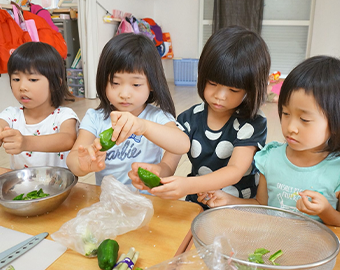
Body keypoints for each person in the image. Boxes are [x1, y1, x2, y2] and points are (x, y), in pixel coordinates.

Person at [129, 25, 271, 208]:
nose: (220, 96)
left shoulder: (253, 122)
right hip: (198, 202)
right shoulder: (189, 119)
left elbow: (235, 170)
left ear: (251, 89)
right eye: (212, 83)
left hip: (238, 205)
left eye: (233, 89)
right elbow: (169, 165)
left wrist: (188, 185)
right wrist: (157, 173)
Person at [198, 56, 340, 226]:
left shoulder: (336, 170)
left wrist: (326, 211)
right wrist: (228, 200)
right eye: (286, 114)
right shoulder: (271, 157)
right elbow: (261, 206)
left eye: (304, 119)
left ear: (334, 123)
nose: (291, 127)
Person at [66, 33, 190, 188]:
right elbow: (73, 157)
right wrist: (82, 164)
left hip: (148, 202)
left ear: (151, 84)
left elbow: (183, 144)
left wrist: (143, 126)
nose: (124, 94)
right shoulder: (95, 118)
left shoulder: (157, 117)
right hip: (109, 202)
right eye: (115, 82)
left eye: (136, 85)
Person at [0, 42, 79, 169]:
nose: (22, 87)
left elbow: (68, 139)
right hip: (22, 186)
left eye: (32, 80)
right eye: (16, 79)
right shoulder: (11, 114)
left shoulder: (64, 115)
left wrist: (25, 143)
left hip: (58, 186)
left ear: (55, 83)